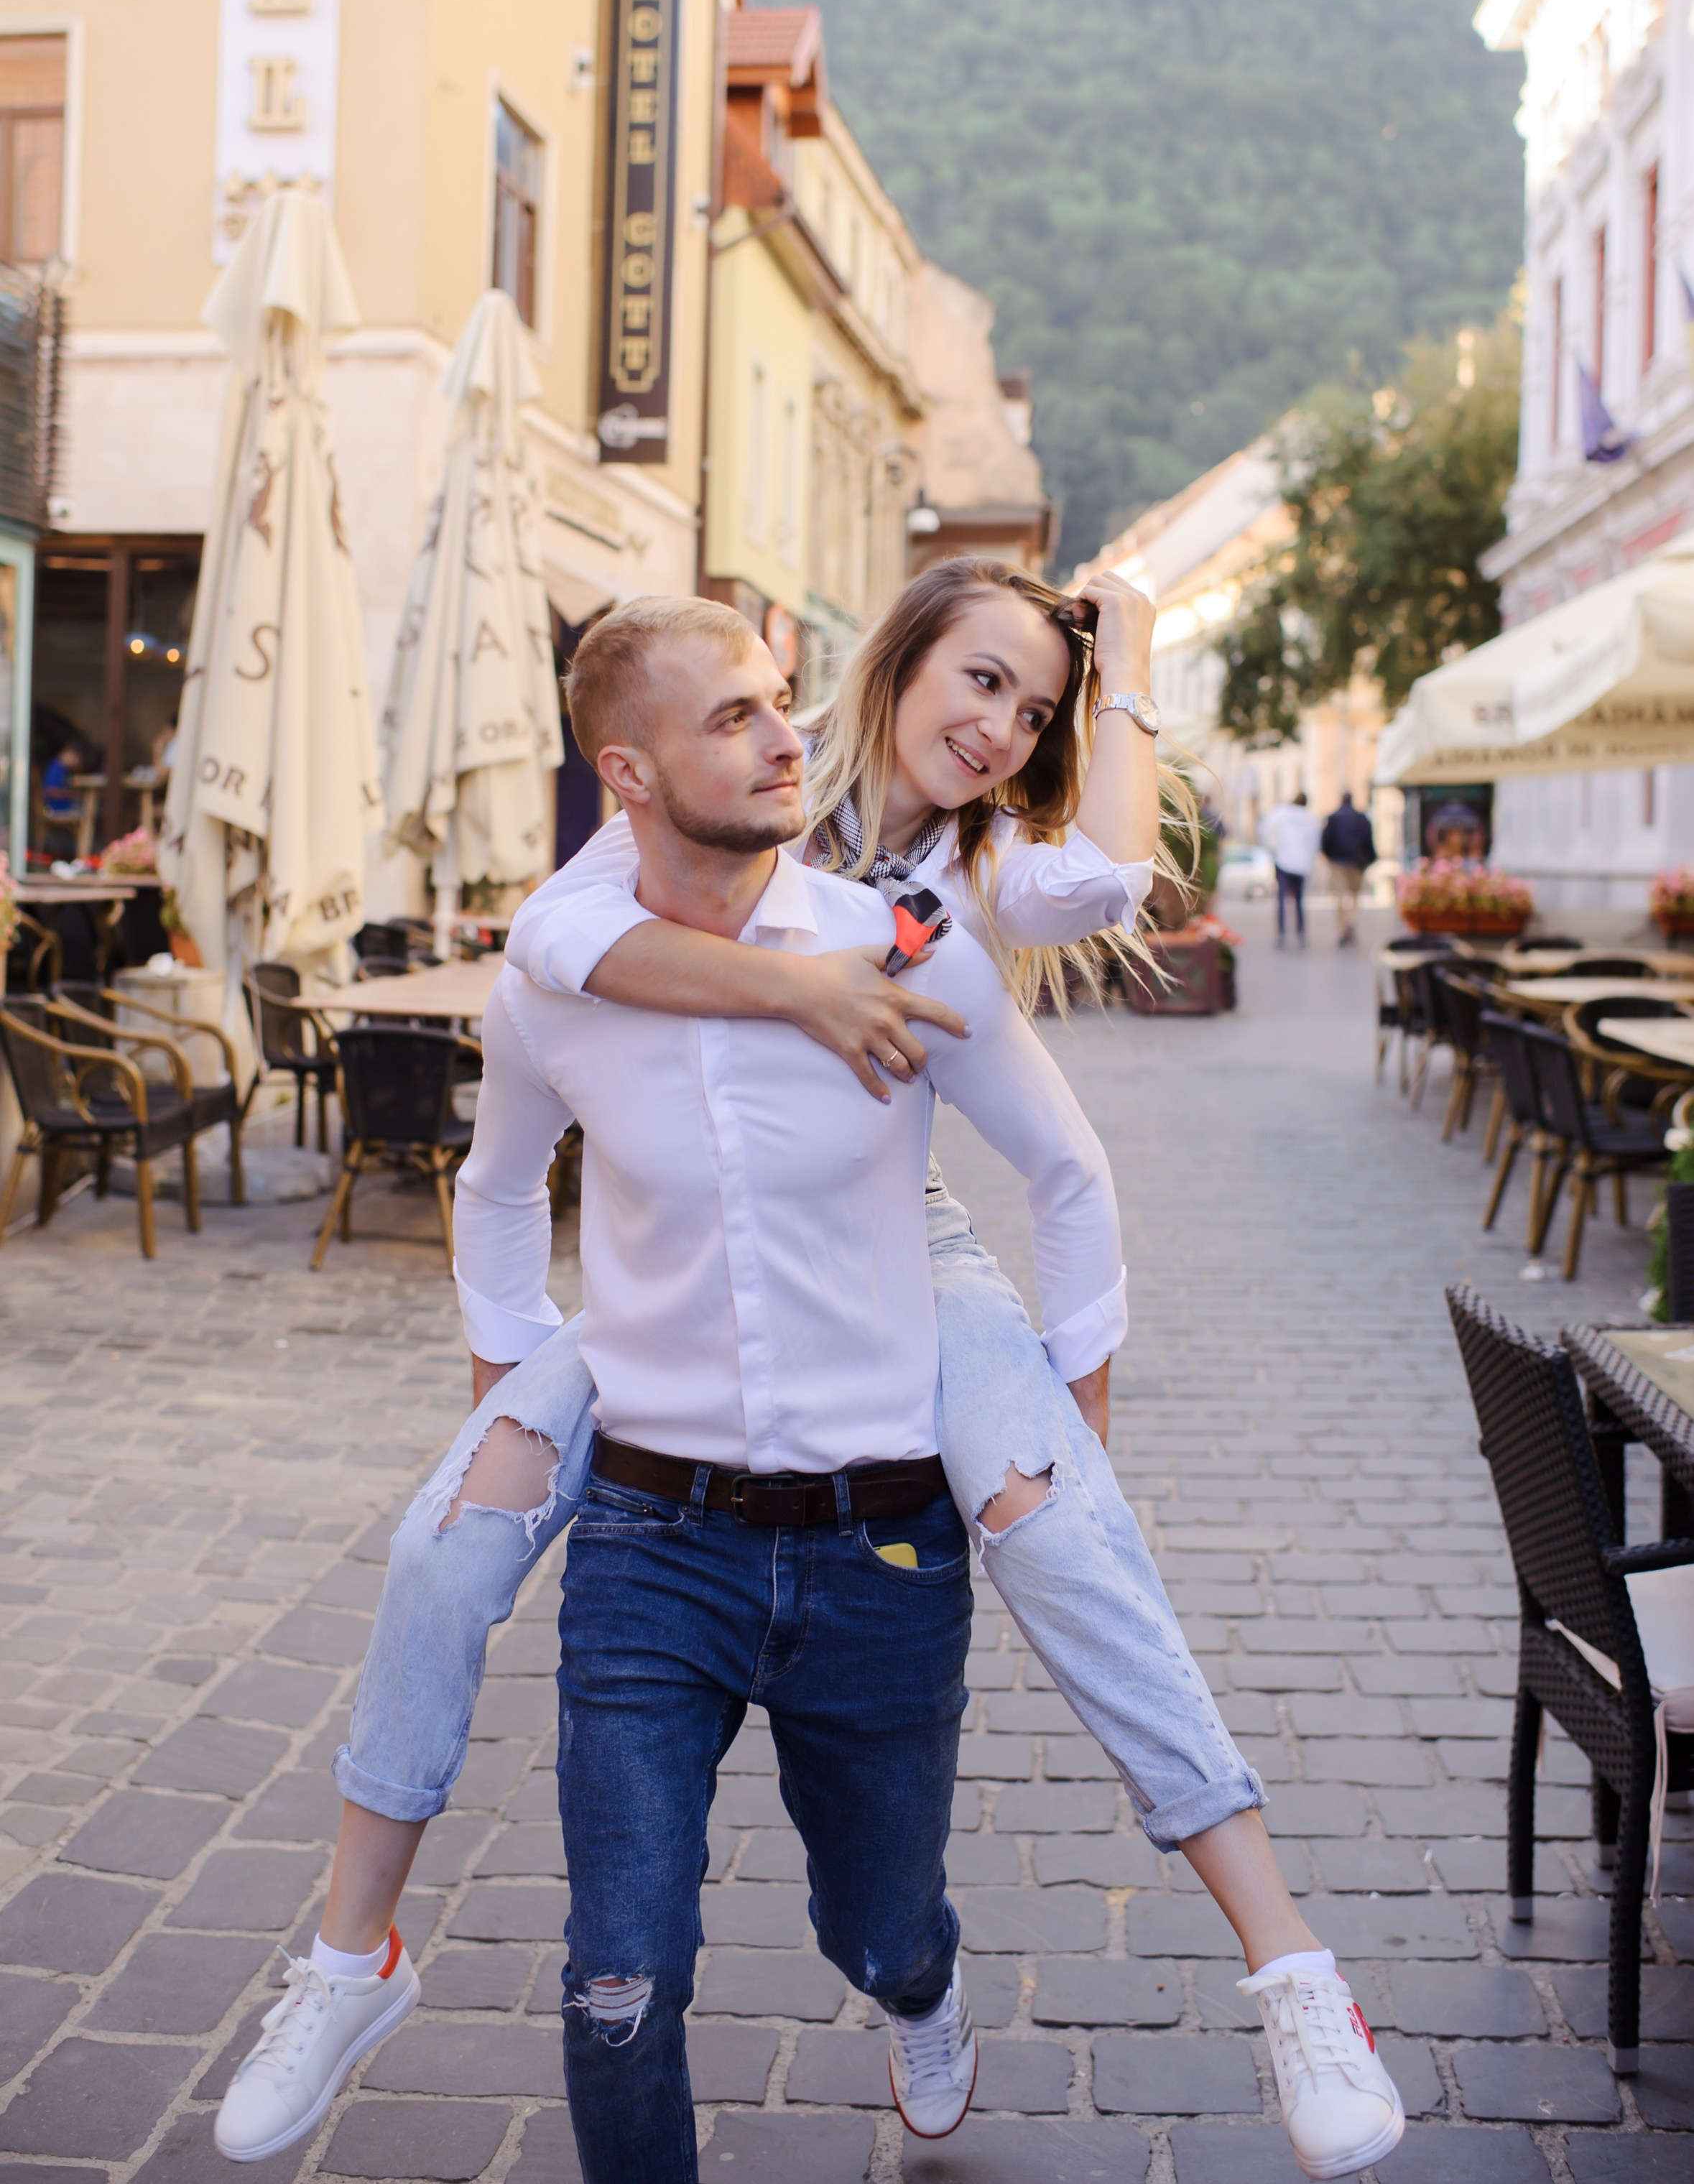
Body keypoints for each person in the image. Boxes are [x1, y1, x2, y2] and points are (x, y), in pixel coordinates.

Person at [215, 566, 1403, 2184]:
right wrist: (509, 1353)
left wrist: (1115, 673)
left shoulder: (958, 875)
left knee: (1063, 1529)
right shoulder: (762, 776)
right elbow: (559, 941)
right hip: (678, 1294)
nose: (997, 727)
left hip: (899, 1241)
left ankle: (1291, 1969)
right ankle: (352, 1960)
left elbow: (1110, 902)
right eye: (979, 680)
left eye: (1032, 709)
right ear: (895, 666)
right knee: (442, 1537)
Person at [1262, 789, 1322, 948]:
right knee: (1299, 900)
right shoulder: (1311, 819)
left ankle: (1282, 931)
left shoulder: (1281, 814)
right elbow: (1314, 843)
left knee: (1281, 898)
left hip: (1283, 861)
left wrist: (1274, 849)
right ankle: (1300, 930)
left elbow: (1266, 829)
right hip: (1302, 864)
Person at [1320, 791, 1376, 947]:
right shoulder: (1361, 818)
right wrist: (1369, 859)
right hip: (1357, 863)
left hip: (1338, 862)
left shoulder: (1333, 818)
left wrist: (1329, 857)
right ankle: (1351, 921)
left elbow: (1325, 841)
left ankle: (1344, 927)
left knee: (1339, 897)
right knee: (1355, 896)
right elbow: (1369, 840)